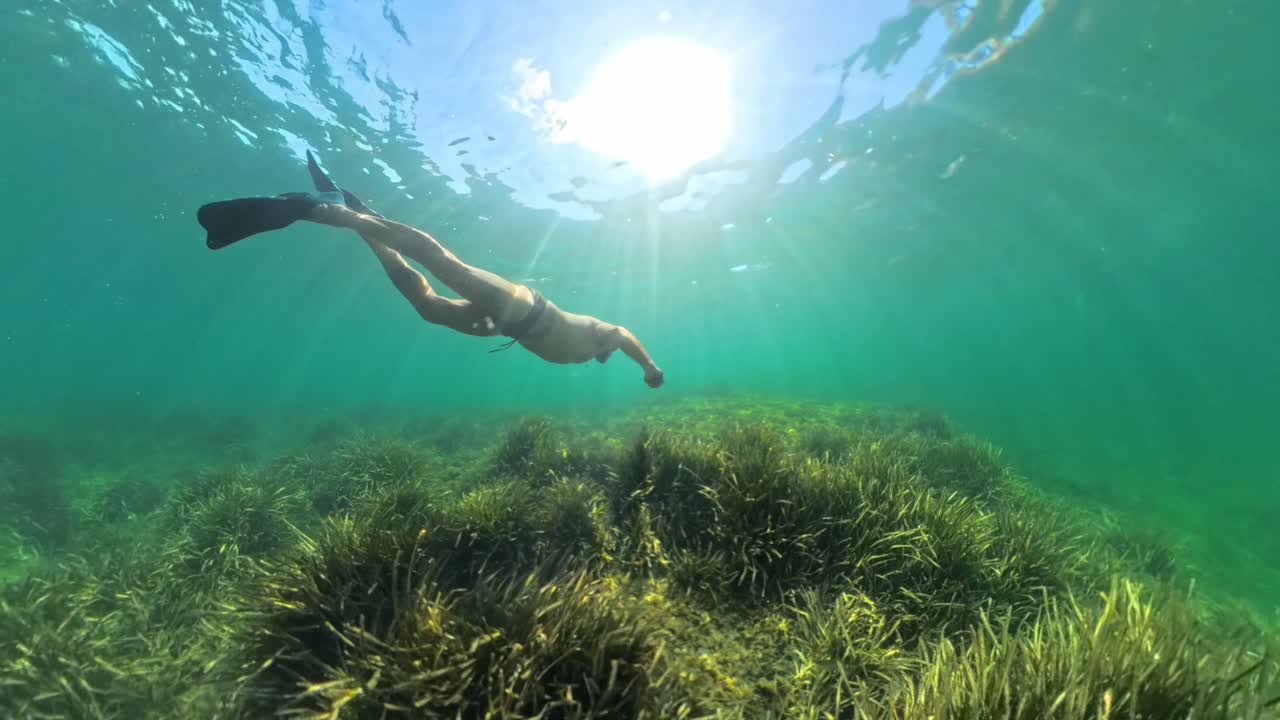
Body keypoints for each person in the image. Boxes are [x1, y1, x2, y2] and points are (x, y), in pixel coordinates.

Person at [196, 151, 664, 388]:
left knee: (429, 307)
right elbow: (623, 334)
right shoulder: (605, 337)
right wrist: (649, 367)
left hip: (510, 328)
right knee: (442, 264)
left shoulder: (592, 349)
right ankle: (314, 209)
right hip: (525, 309)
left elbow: (606, 345)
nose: (609, 351)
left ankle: (356, 220)